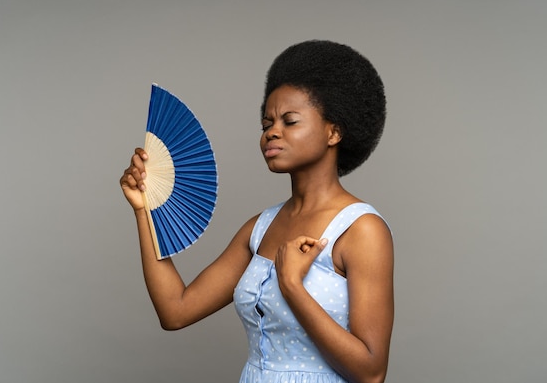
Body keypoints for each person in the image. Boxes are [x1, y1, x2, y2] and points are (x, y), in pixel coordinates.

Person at [120, 40, 394, 383]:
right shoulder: (261, 228)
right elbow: (176, 310)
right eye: (267, 123)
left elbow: (371, 372)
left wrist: (292, 285)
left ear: (334, 131)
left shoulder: (362, 230)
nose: (271, 133)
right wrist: (145, 212)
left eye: (290, 121)